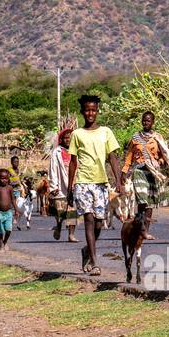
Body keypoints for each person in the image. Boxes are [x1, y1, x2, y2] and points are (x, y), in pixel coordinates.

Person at [67, 95, 123, 275]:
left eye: (93, 110)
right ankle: (95, 262)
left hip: (101, 183)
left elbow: (113, 158)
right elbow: (73, 162)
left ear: (97, 111)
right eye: (87, 110)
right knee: (89, 220)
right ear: (82, 112)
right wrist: (69, 188)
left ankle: (86, 250)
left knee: (99, 223)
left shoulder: (106, 131)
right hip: (82, 182)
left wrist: (119, 181)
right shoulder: (77, 134)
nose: (90, 113)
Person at [121, 110, 169, 227]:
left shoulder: (157, 138)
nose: (146, 123)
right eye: (144, 120)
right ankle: (140, 227)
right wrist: (124, 171)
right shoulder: (135, 137)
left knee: (150, 203)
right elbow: (129, 155)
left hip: (153, 173)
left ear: (153, 122)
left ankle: (146, 229)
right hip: (139, 171)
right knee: (142, 199)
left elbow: (164, 155)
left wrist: (160, 161)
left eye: (148, 121)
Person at [48, 125, 78, 242]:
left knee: (72, 210)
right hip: (60, 186)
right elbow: (53, 169)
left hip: (74, 185)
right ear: (62, 139)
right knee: (60, 212)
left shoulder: (77, 151)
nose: (68, 140)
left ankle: (71, 235)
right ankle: (59, 226)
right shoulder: (57, 152)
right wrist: (53, 186)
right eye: (65, 137)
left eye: (70, 138)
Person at [0, 167, 16, 252]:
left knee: (8, 230)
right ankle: (1, 247)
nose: (4, 180)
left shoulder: (10, 188)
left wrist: (16, 209)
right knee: (0, 231)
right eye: (2, 178)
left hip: (8, 212)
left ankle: (5, 242)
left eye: (6, 178)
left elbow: (13, 199)